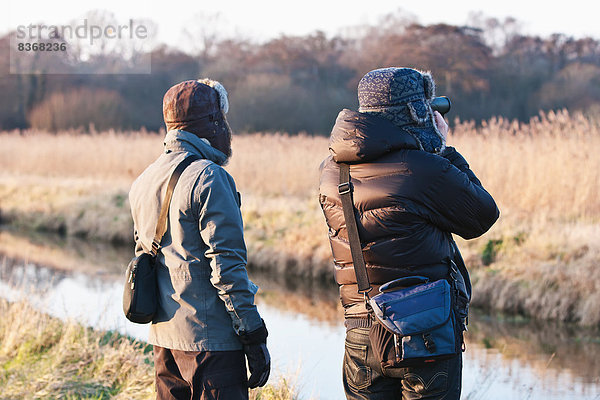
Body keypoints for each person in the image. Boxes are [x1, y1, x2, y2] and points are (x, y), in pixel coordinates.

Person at [318, 67, 499, 399]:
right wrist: (443, 148)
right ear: (416, 113)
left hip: (360, 330)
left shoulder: (332, 170)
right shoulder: (423, 169)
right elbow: (482, 216)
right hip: (423, 332)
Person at [129, 79, 270, 399]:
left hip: (165, 341)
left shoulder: (145, 179)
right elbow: (228, 267)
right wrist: (253, 334)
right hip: (212, 347)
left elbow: (146, 259)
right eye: (222, 118)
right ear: (212, 123)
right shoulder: (210, 177)